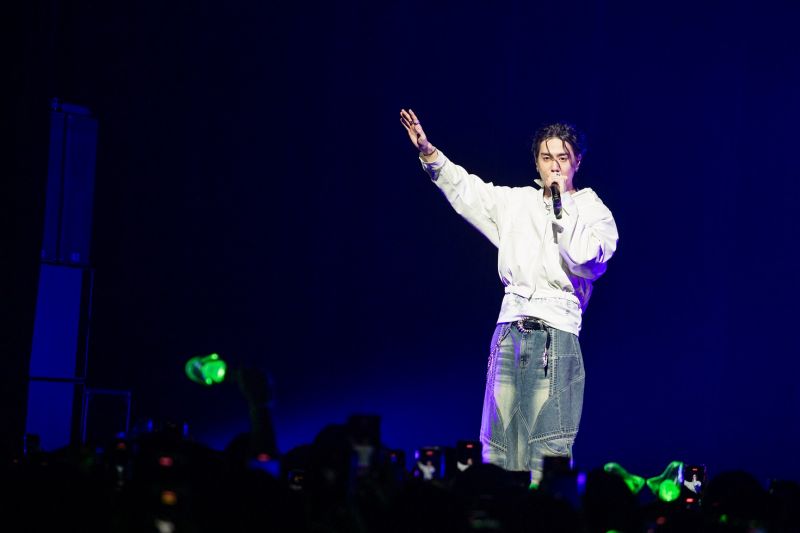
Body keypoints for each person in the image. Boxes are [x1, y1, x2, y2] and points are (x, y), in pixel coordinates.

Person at [399, 108, 618, 484]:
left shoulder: (594, 212)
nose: (554, 166)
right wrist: (429, 153)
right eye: (546, 157)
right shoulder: (517, 203)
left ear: (577, 162)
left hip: (556, 332)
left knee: (548, 448)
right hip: (509, 329)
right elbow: (467, 191)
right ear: (536, 161)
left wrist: (559, 208)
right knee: (497, 446)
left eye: (562, 157)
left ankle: (547, 509)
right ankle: (497, 507)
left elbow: (584, 259)